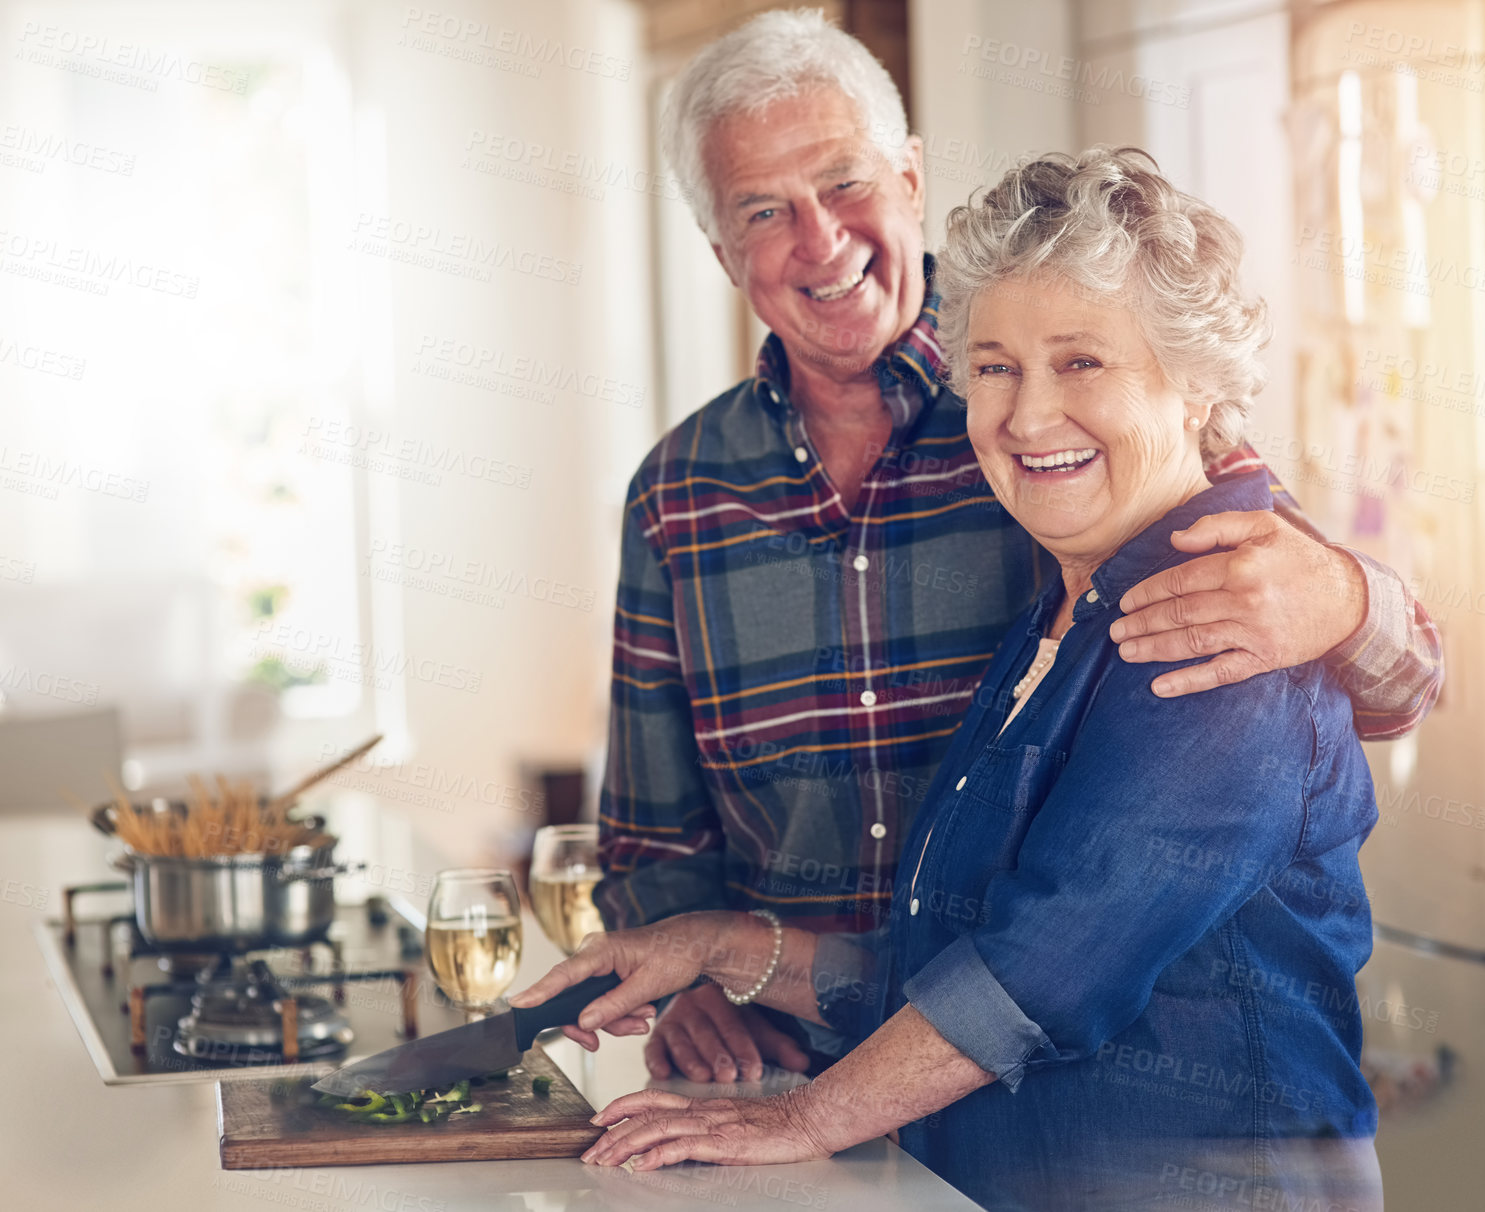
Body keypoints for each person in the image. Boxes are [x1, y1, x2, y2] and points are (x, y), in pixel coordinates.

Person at [518, 146, 1384, 1212]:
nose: (1024, 418)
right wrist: (716, 945)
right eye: (993, 367)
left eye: (1080, 363)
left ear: (1197, 385)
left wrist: (800, 1116)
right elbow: (947, 949)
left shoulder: (1225, 613)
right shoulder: (1059, 614)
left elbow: (1042, 969)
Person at [591, 7, 1440, 1086]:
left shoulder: (1062, 425)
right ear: (722, 252)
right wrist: (699, 980)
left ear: (909, 177)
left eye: (844, 182)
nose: (819, 239)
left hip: (1064, 1087)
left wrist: (1348, 598)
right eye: (764, 209)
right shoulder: (679, 492)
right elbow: (650, 840)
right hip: (786, 1068)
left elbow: (1394, 681)